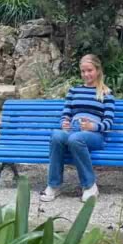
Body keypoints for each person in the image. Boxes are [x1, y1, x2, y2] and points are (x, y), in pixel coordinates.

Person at [39, 53, 115, 203]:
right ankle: (54, 185)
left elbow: (108, 123)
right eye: (83, 71)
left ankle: (89, 186)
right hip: (74, 130)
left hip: (95, 135)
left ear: (98, 70)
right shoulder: (74, 91)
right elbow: (65, 114)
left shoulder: (106, 93)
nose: (86, 74)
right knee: (56, 135)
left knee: (76, 138)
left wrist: (93, 126)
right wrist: (64, 123)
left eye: (90, 70)